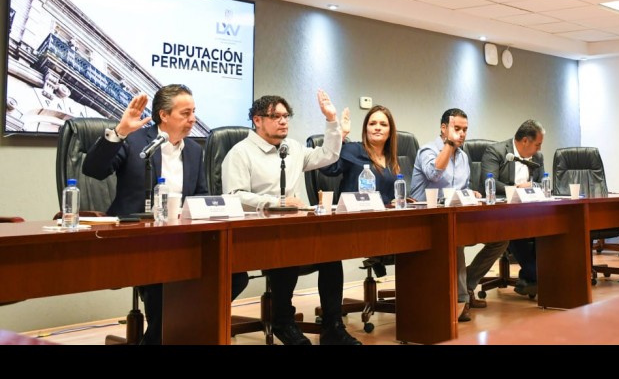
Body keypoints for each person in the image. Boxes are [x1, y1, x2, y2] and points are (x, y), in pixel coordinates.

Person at [82, 84, 249, 345]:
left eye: (194, 112)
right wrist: (120, 132)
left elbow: (201, 196)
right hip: (137, 238)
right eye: (185, 113)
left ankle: (179, 330)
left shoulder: (194, 150)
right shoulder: (135, 141)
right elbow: (93, 169)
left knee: (235, 275)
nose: (193, 119)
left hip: (182, 238)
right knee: (166, 280)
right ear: (164, 115)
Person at [221, 89, 361, 346]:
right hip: (256, 237)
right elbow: (234, 195)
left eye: (286, 116)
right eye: (275, 116)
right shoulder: (240, 153)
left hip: (293, 231)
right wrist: (277, 203)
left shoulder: (293, 149)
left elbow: (328, 155)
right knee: (285, 252)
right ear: (257, 120)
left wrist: (331, 120)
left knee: (331, 254)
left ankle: (332, 326)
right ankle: (283, 322)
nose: (283, 121)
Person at [410, 108, 508, 323]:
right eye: (457, 128)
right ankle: (461, 300)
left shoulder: (463, 156)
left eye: (465, 130)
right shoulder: (427, 150)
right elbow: (434, 174)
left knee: (501, 237)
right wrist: (449, 144)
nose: (462, 134)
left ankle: (467, 284)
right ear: (443, 128)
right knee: (456, 239)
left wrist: (471, 193)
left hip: (455, 215)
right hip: (425, 220)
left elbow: (460, 189)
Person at [479, 119, 546, 299]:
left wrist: (533, 186)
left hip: (531, 210)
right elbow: (489, 183)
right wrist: (516, 189)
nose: (539, 149)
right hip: (502, 213)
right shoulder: (496, 151)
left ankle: (531, 278)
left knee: (548, 227)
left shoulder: (537, 157)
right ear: (525, 141)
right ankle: (536, 275)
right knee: (516, 227)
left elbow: (543, 183)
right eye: (537, 144)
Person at [320, 104, 405, 206]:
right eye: (372, 124)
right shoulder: (353, 150)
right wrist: (342, 133)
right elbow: (325, 166)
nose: (378, 128)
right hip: (355, 213)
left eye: (383, 124)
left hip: (385, 214)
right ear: (366, 129)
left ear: (390, 131)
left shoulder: (392, 160)